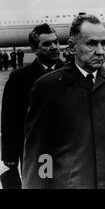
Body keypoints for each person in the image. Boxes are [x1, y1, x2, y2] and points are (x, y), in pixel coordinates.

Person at [22, 14, 105, 188]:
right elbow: (40, 154)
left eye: (104, 43)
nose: (101, 51)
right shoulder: (48, 88)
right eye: (91, 43)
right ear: (72, 46)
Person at [1, 24, 64, 187]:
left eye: (56, 42)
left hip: (69, 151)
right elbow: (9, 118)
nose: (54, 47)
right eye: (47, 44)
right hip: (38, 152)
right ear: (35, 49)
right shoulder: (19, 78)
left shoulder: (72, 73)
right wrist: (10, 154)